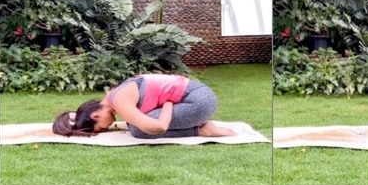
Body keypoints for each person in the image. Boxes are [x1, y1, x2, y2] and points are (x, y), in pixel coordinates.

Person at [52, 74, 236, 138]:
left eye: (102, 128)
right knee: (135, 125)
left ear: (96, 116)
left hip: (198, 102)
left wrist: (168, 105)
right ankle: (199, 125)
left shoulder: (119, 100)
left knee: (139, 131)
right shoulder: (114, 95)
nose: (107, 128)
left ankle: (204, 130)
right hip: (198, 96)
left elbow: (158, 127)